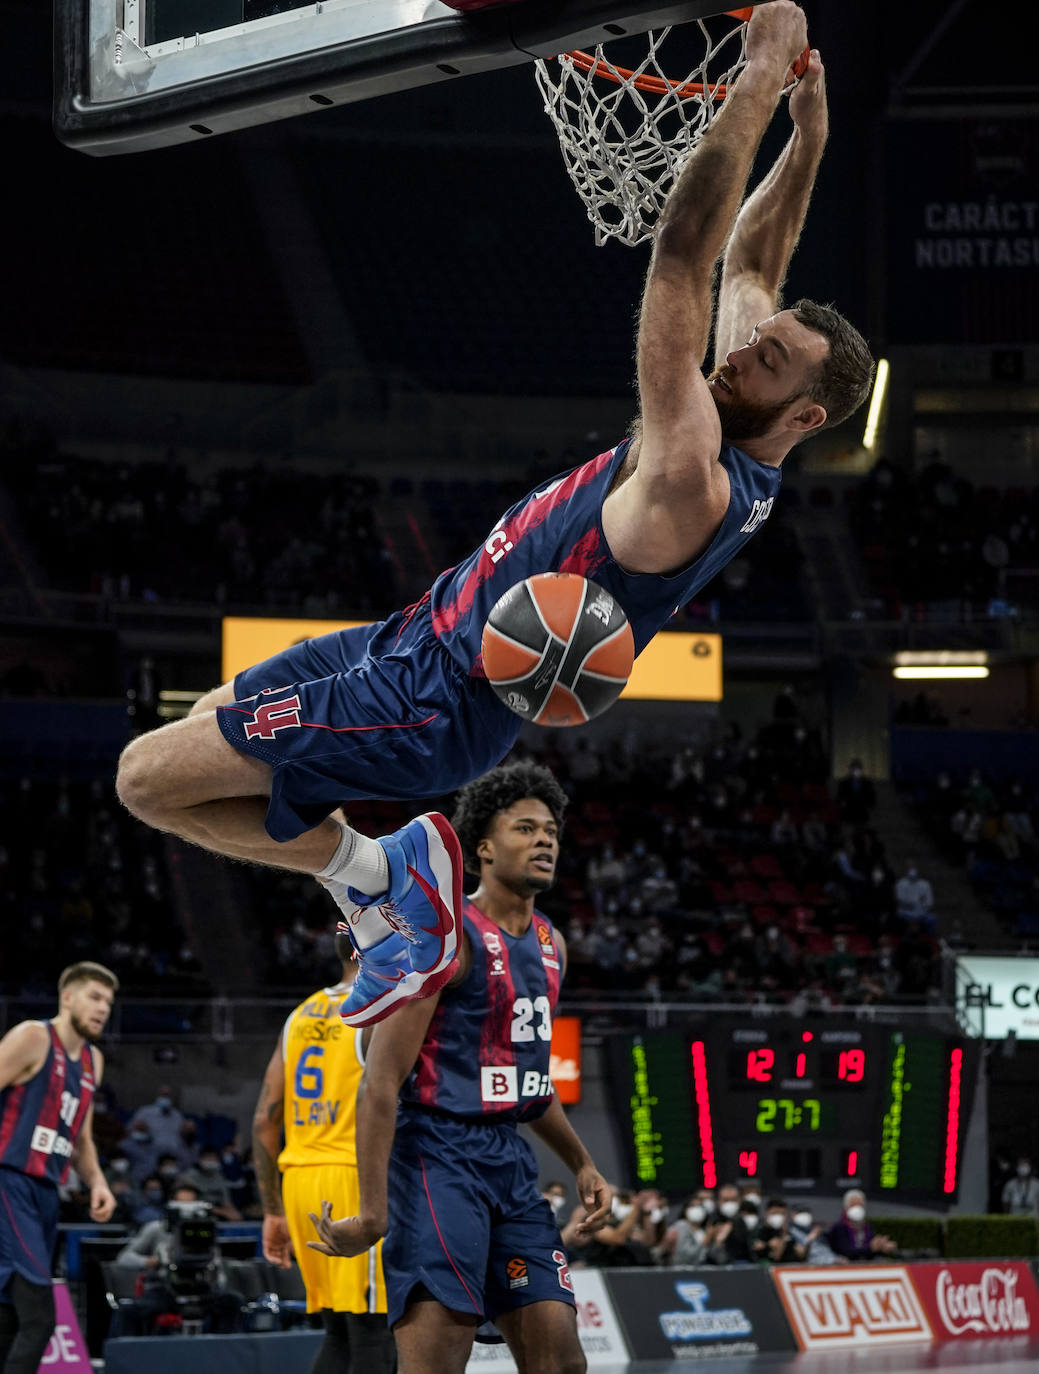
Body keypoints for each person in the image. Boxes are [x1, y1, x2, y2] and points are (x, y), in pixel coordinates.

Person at [114, 0, 874, 1028]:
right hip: (415, 637)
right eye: (753, 341)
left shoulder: (691, 467)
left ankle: (381, 883)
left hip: (437, 698)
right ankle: (376, 883)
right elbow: (746, 267)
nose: (739, 349)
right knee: (204, 719)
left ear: (807, 416)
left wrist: (754, 77)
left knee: (146, 781)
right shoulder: (742, 405)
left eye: (766, 357)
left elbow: (684, 258)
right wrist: (807, 136)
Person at [307, 763, 611, 1374]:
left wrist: (582, 1161)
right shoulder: (443, 933)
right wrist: (373, 1211)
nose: (545, 840)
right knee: (439, 1360)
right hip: (434, 1156)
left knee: (562, 1360)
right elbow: (381, 1083)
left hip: (509, 1160)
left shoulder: (551, 943)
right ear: (483, 849)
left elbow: (528, 1080)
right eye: (525, 828)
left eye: (551, 831)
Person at [252, 934, 396, 1374]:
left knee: (338, 1334)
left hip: (301, 1184)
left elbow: (264, 1121)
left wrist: (272, 1211)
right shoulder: (377, 1006)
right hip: (353, 1182)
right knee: (374, 1333)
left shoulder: (299, 1015)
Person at [0, 962, 118, 1374]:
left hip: (47, 1192)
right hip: (9, 1181)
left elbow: (81, 1137)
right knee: (40, 1318)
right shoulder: (33, 1037)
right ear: (67, 997)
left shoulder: (92, 1061)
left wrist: (98, 1182)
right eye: (94, 997)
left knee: (9, 1315)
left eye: (108, 1002)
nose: (102, 1008)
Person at [113, 1183, 243, 1335]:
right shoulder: (156, 1229)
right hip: (165, 1289)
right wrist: (149, 1262)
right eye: (181, 1203)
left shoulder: (206, 1229)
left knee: (232, 1301)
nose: (186, 1209)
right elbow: (124, 1258)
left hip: (202, 1289)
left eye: (190, 1203)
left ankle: (223, 1347)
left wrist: (217, 1279)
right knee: (130, 1311)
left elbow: (216, 1261)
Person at [826, 1190, 897, 1261]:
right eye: (853, 1205)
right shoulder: (839, 1227)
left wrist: (882, 1247)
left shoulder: (867, 1226)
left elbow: (870, 1252)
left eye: (860, 1205)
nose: (857, 1208)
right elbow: (846, 1252)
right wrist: (871, 1248)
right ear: (846, 1207)